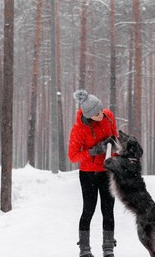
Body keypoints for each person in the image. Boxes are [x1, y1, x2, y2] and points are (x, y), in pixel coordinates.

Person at [68, 89, 118, 257]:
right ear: (88, 116)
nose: (101, 114)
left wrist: (114, 145)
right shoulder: (78, 129)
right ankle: (84, 248)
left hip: (107, 172)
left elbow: (116, 139)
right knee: (88, 210)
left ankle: (108, 247)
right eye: (96, 114)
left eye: (101, 110)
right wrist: (93, 151)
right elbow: (73, 156)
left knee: (108, 210)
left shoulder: (108, 116)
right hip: (88, 173)